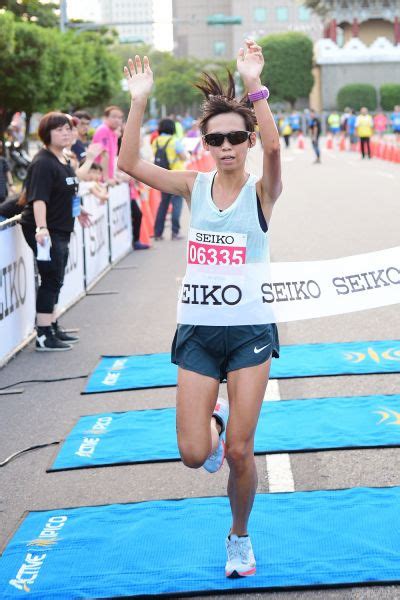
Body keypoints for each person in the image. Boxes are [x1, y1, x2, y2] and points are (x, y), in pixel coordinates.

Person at [118, 40, 281, 578]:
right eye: (217, 138)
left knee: (238, 451)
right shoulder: (194, 186)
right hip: (199, 333)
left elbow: (277, 153)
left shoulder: (263, 191)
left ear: (248, 140)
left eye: (237, 136)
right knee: (194, 453)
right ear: (207, 144)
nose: (227, 145)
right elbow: (128, 162)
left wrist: (253, 82)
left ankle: (239, 537)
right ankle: (211, 420)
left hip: (250, 333)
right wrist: (139, 99)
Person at [19, 112, 94, 351]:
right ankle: (43, 334)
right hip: (45, 229)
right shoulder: (42, 162)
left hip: (61, 227)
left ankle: (51, 325)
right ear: (46, 134)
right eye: (59, 129)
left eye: (68, 129)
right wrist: (42, 228)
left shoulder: (63, 159)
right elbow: (38, 199)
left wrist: (78, 209)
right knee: (50, 279)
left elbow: (65, 192)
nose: (66, 133)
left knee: (56, 279)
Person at [151, 118, 186, 240]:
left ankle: (158, 233)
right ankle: (175, 232)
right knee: (177, 204)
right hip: (177, 176)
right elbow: (183, 157)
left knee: (163, 204)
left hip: (161, 177)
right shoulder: (174, 141)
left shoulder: (155, 141)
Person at [92, 105, 124, 186]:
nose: (117, 120)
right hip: (99, 179)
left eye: (120, 118)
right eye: (114, 117)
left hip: (105, 178)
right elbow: (104, 154)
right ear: (105, 118)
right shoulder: (103, 130)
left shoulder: (113, 133)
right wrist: (106, 178)